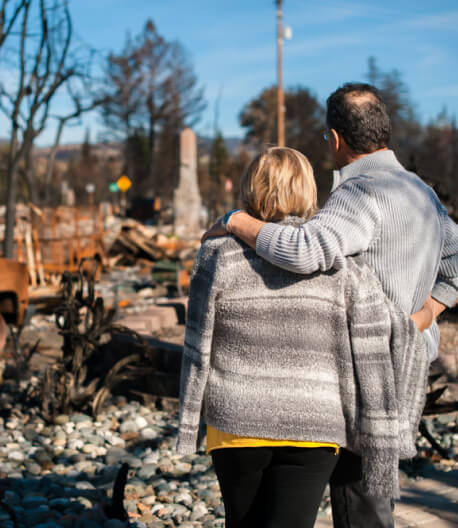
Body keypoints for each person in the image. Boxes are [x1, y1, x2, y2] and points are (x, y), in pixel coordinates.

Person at [202, 83, 458, 528]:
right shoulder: (422, 193)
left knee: (359, 501)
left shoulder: (359, 194)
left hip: (365, 366)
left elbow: (304, 250)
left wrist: (236, 220)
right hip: (407, 359)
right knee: (372, 495)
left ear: (337, 139)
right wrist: (424, 316)